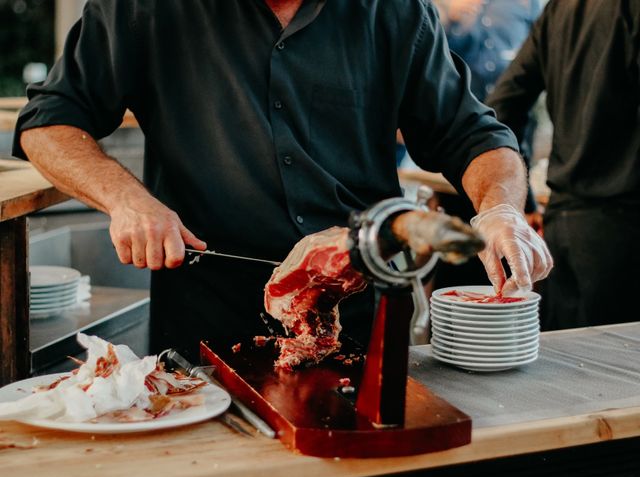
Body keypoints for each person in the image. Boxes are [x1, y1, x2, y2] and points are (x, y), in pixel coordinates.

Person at [13, 0, 552, 358]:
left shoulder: (392, 9)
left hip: (358, 314)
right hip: (209, 321)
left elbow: (475, 135)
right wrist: (126, 199)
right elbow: (48, 121)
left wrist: (500, 208)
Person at [486, 0, 640, 331]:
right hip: (624, 236)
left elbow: (500, 109)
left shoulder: (560, 7)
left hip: (561, 228)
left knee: (565, 367)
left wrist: (521, 205)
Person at [426, 0, 544, 292]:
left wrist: (519, 202)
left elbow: (522, 88)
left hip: (498, 152)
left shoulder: (529, 7)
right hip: (451, 161)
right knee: (457, 268)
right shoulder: (440, 6)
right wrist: (449, 16)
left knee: (507, 271)